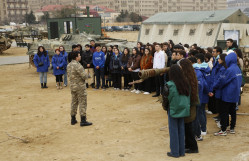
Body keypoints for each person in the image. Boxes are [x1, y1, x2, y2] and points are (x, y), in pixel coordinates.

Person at [213, 52, 242, 135]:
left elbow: (223, 81)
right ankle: (232, 128)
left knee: (224, 112)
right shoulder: (237, 68)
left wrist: (215, 87)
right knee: (233, 111)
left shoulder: (230, 70)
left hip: (227, 94)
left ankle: (223, 130)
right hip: (235, 93)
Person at [166, 64, 190, 158]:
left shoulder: (169, 84)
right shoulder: (185, 83)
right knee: (181, 129)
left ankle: (175, 152)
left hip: (173, 109)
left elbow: (167, 98)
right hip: (183, 108)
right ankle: (181, 151)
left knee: (173, 130)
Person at [67, 51, 92, 126]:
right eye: (79, 55)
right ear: (76, 57)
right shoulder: (77, 65)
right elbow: (84, 76)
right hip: (80, 86)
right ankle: (83, 120)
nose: (80, 56)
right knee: (82, 102)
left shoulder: (69, 65)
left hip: (72, 86)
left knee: (74, 102)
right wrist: (88, 76)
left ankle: (73, 119)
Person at [179, 59, 199, 154]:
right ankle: (188, 145)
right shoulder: (190, 76)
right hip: (191, 104)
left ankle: (193, 147)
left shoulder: (186, 78)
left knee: (188, 127)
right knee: (187, 126)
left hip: (189, 105)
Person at [208, 46, 222, 115]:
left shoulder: (219, 60)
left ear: (218, 52)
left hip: (215, 80)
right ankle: (214, 110)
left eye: (214, 51)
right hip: (213, 79)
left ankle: (215, 111)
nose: (212, 53)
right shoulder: (214, 59)